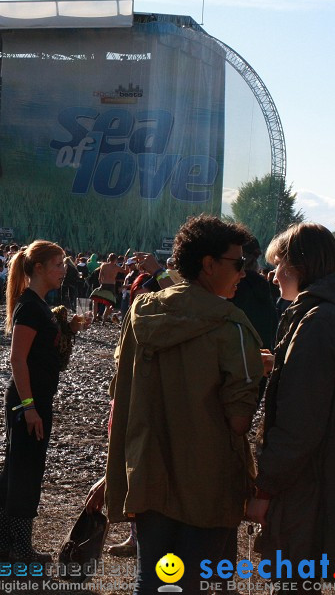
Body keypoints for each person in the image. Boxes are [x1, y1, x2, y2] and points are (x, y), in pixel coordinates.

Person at [97, 215, 264, 595]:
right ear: (209, 264)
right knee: (195, 584)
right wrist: (260, 370)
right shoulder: (232, 328)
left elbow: (121, 388)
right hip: (208, 481)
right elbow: (239, 421)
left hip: (148, 470)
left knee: (153, 580)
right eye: (239, 264)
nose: (244, 273)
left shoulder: (142, 312)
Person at [246, 223, 335, 593]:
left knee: (293, 584)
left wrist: (264, 490)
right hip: (332, 475)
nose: (273, 277)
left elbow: (300, 423)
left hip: (310, 483)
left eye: (278, 265)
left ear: (299, 266)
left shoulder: (317, 321)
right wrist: (284, 364)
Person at [0, 240, 85, 562]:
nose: (64, 270)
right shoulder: (30, 306)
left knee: (16, 466)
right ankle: (19, 546)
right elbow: (17, 360)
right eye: (59, 264)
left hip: (31, 398)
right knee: (26, 470)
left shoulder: (38, 304)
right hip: (28, 400)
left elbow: (43, 353)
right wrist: (29, 407)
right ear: (40, 268)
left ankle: (3, 543)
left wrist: (69, 328)